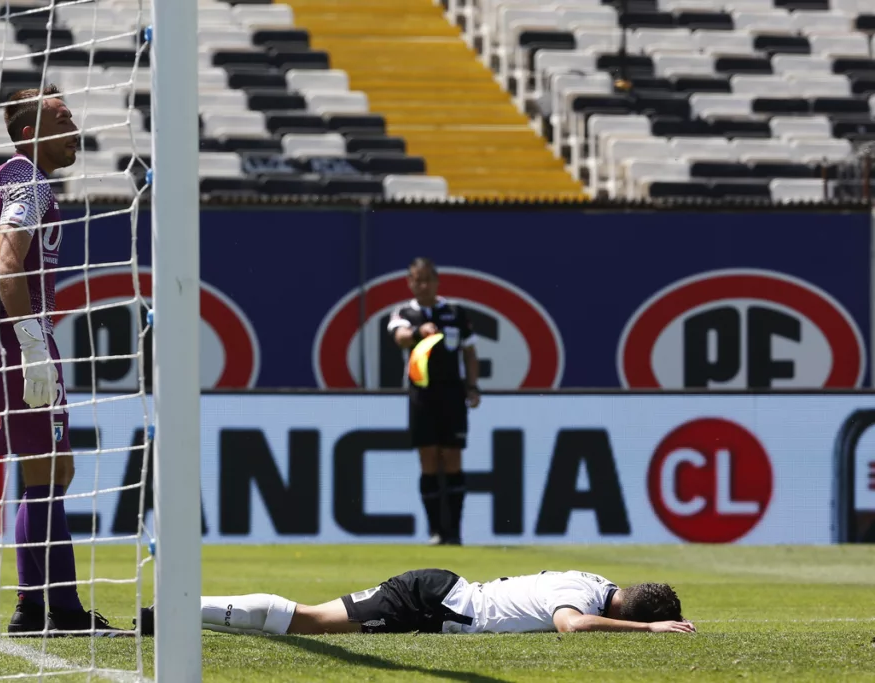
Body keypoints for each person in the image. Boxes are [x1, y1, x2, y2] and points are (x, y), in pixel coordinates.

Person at [0, 85, 126, 637]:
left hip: (6, 336)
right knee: (47, 470)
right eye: (61, 120)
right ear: (28, 133)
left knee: (50, 469)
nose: (73, 130)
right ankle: (59, 611)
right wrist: (31, 342)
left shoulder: (10, 179)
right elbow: (6, 260)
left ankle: (34, 608)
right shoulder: (26, 181)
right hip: (17, 337)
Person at [134, 568, 694, 637]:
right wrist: (648, 634)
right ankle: (177, 610)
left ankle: (180, 612)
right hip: (437, 602)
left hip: (441, 602)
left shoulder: (596, 581)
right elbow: (572, 627)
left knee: (307, 621)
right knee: (308, 621)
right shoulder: (582, 599)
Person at [386, 258, 480, 546]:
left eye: (428, 279)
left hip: (452, 394)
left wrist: (473, 386)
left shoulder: (454, 312)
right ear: (410, 282)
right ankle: (435, 530)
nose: (423, 284)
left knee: (452, 459)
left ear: (437, 281)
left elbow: (469, 352)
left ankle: (454, 532)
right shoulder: (404, 313)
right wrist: (417, 332)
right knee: (428, 459)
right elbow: (400, 337)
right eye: (418, 279)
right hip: (421, 395)